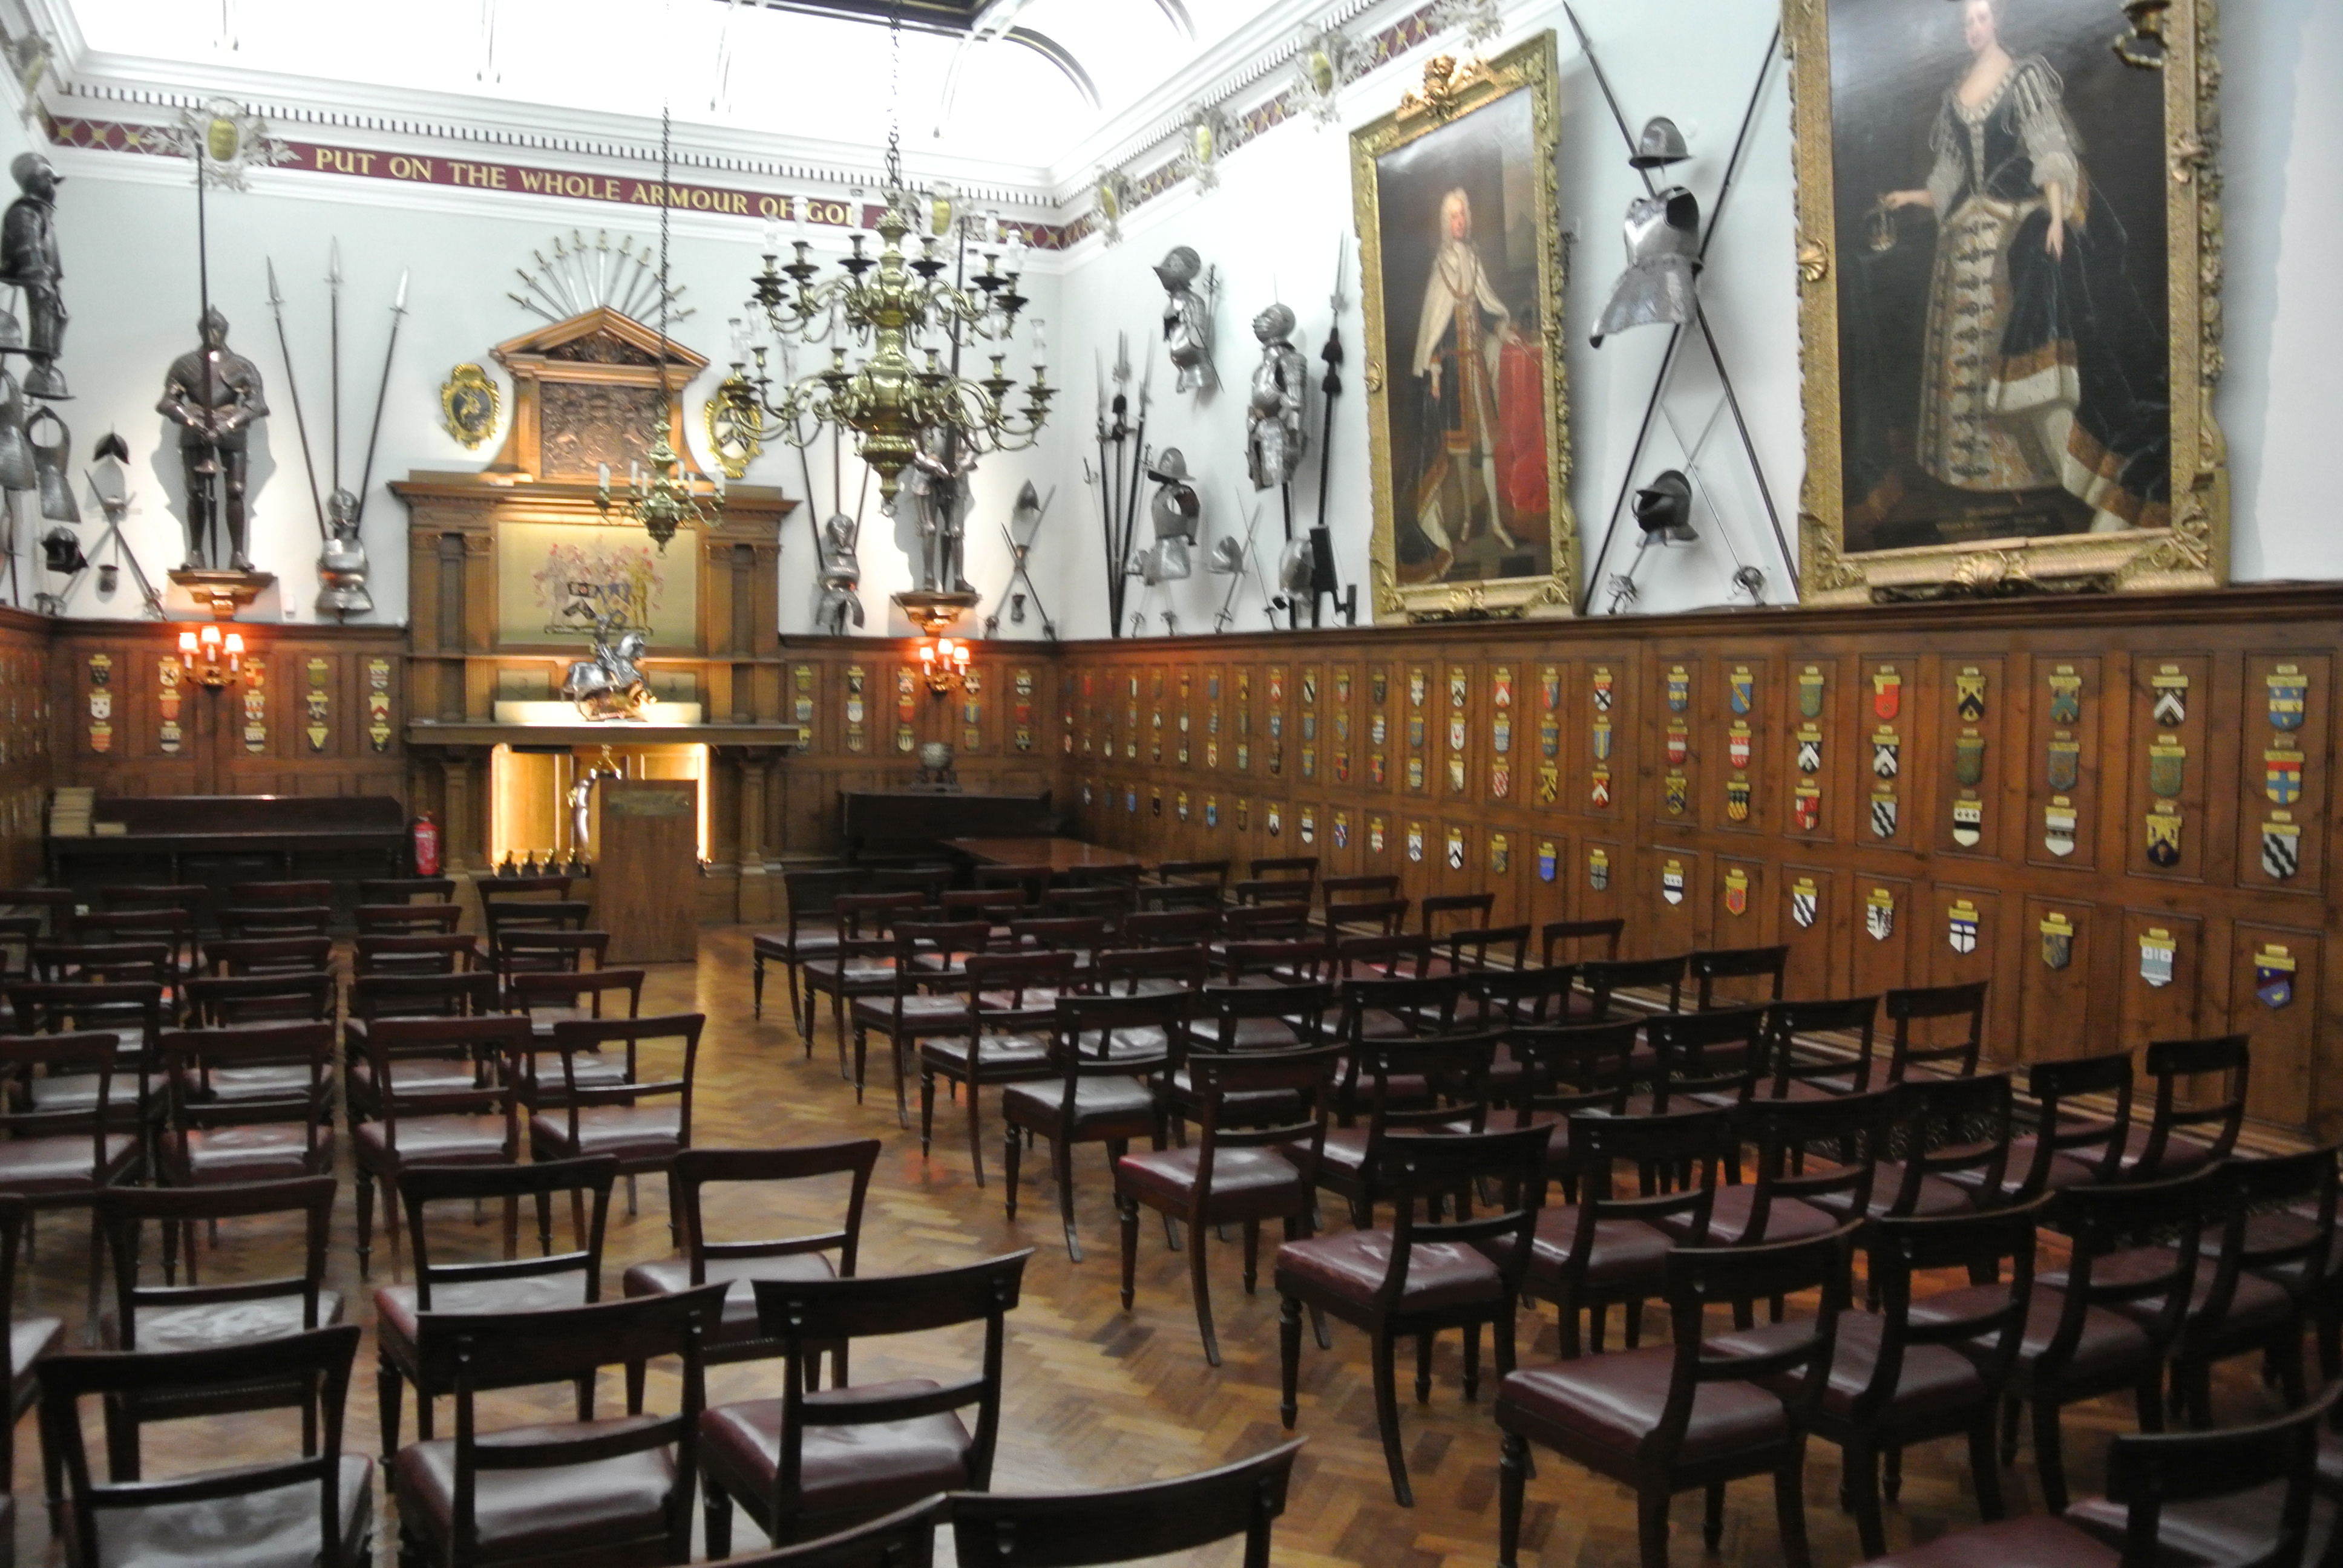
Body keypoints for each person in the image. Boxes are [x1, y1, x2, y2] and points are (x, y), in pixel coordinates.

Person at [1876, 0, 2168, 532]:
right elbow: (1949, 175)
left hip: (2015, 226)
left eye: (1982, 18)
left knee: (2011, 332)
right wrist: (1912, 196)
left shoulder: (2025, 78)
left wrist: (2055, 219)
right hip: (1965, 234)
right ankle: (1969, 469)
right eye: (1966, 20)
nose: (1973, 28)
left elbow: (2050, 152)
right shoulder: (1952, 96)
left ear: (1999, 21)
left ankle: (2036, 471)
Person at [1409, 188, 1518, 558]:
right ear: (1445, 223)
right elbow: (1435, 330)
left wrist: (1502, 329)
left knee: (1487, 449)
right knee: (1460, 452)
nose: (1459, 222)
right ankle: (1471, 517)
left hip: (1476, 370)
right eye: (1453, 217)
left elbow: (1488, 306)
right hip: (1453, 372)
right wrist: (1435, 373)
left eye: (1463, 216)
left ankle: (1497, 523)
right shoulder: (1440, 268)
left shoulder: (1474, 260)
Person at [157, 307, 269, 571]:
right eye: (207, 328)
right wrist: (191, 422)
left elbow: (258, 405)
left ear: (225, 329)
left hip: (231, 429)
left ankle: (238, 554)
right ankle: (196, 552)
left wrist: (227, 425)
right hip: (195, 427)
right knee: (195, 491)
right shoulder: (185, 364)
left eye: (217, 328)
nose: (212, 333)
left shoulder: (241, 366)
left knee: (236, 490)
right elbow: (167, 402)